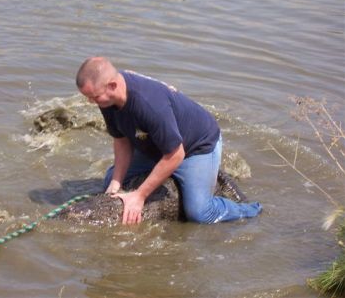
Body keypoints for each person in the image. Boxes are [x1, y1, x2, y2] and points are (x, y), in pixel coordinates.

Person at [76, 56, 262, 225]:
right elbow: (122, 141)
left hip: (195, 148)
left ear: (112, 85)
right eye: (88, 97)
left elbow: (176, 154)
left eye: (94, 97)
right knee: (110, 179)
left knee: (200, 213)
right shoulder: (107, 100)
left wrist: (139, 196)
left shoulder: (148, 104)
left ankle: (251, 209)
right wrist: (114, 186)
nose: (91, 102)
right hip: (156, 144)